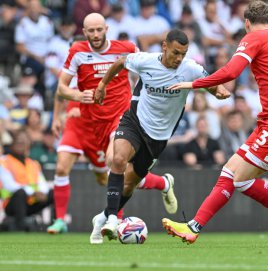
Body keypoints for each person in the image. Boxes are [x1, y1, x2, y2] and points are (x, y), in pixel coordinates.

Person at [162, 1, 268, 248]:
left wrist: (193, 85)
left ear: (247, 23)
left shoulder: (254, 38)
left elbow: (231, 72)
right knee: (231, 172)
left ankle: (194, 228)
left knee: (237, 178)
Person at [92, 29, 230, 243]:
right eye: (175, 53)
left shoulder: (190, 68)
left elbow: (211, 84)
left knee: (129, 184)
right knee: (117, 159)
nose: (178, 58)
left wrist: (220, 92)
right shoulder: (145, 60)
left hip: (158, 137)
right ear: (164, 46)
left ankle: (102, 217)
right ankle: (112, 218)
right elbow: (120, 62)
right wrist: (102, 85)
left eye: (183, 54)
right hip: (135, 121)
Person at [48, 14, 178, 236]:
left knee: (115, 161)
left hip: (119, 117)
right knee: (101, 177)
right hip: (85, 122)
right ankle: (162, 183)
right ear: (84, 31)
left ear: (107, 28)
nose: (96, 35)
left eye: (99, 30)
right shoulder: (77, 51)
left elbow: (149, 68)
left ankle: (114, 218)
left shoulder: (125, 48)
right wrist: (77, 97)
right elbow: (61, 89)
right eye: (91, 31)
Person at [0, 129, 53, 231]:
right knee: (20, 193)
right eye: (18, 142)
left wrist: (42, 192)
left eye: (23, 142)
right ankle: (21, 228)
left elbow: (41, 182)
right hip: (11, 203)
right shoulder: (3, 161)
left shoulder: (33, 163)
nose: (21, 145)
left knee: (53, 193)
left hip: (31, 202)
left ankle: (54, 226)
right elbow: (10, 185)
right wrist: (33, 192)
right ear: (12, 143)